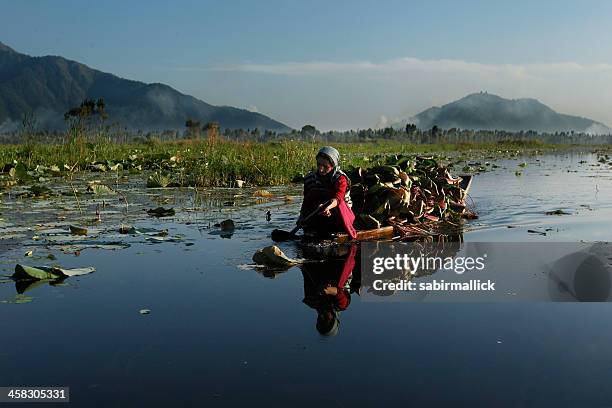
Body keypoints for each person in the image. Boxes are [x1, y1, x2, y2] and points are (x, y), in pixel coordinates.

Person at [299, 146, 357, 239]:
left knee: (339, 204)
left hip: (339, 213)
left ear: (333, 165)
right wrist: (302, 218)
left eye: (325, 166)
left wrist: (327, 208)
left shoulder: (340, 178)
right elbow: (306, 201)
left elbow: (338, 198)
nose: (321, 169)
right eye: (319, 165)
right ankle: (314, 228)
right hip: (318, 211)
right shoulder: (310, 178)